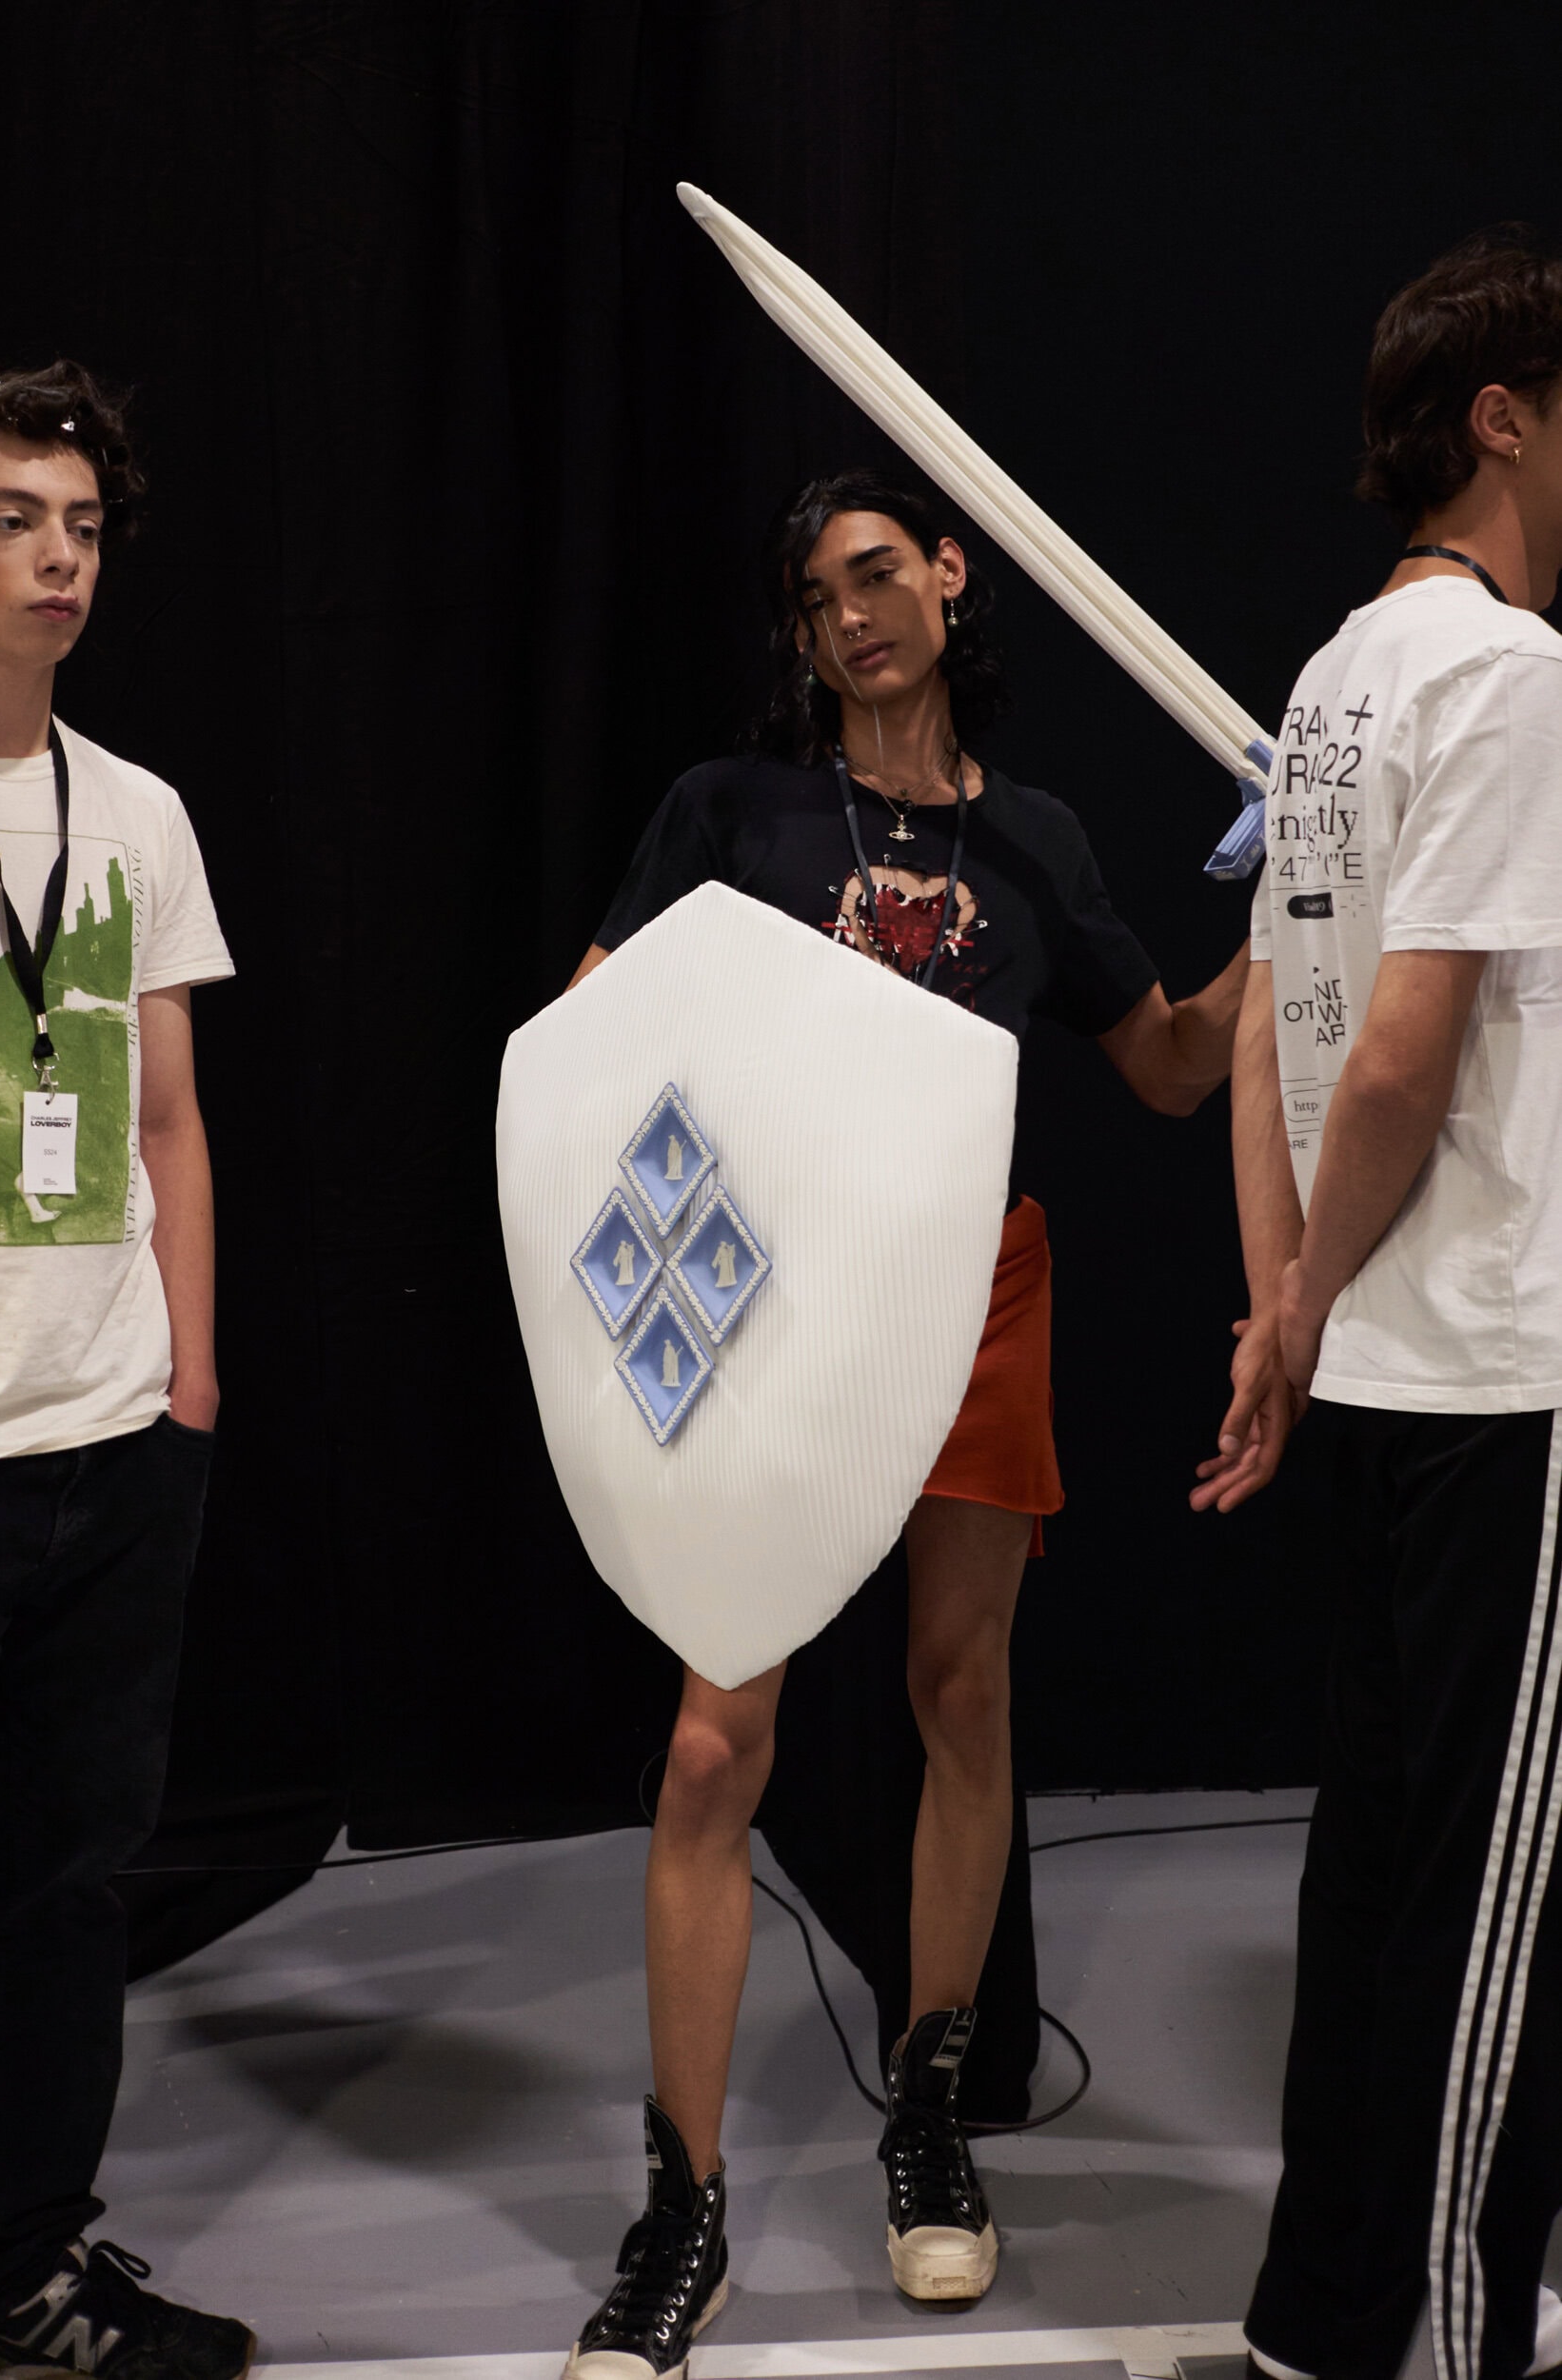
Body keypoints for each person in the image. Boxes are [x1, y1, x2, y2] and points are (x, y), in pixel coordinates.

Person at [564, 466, 1248, 2379]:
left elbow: (1168, 1070)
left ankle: (929, 2119)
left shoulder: (1035, 840)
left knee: (964, 1694)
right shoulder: (734, 811)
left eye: (876, 571)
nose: (850, 614)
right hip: (773, 1296)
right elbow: (590, 1035)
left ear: (950, 575)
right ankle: (682, 2209)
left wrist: (1299, 900)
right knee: (716, 1743)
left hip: (972, 1292)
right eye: (815, 595)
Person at [1193, 227, 1562, 2380]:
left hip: (1391, 1368)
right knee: (1498, 1900)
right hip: (1506, 1366)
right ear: (1502, 419)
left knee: (1383, 1859)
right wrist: (1307, 1298)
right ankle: (1453, 2327)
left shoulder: (1335, 680)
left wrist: (1285, 1309)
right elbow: (1396, 1051)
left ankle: (1324, 2316)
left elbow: (1269, 1034)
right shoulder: (1508, 677)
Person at [0, 364, 253, 2380]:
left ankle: (22, 2267)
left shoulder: (137, 809)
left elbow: (167, 1118)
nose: (56, 558)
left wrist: (191, 1381)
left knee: (66, 1888)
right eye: (11, 519)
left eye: (79, 526)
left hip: (113, 1432)